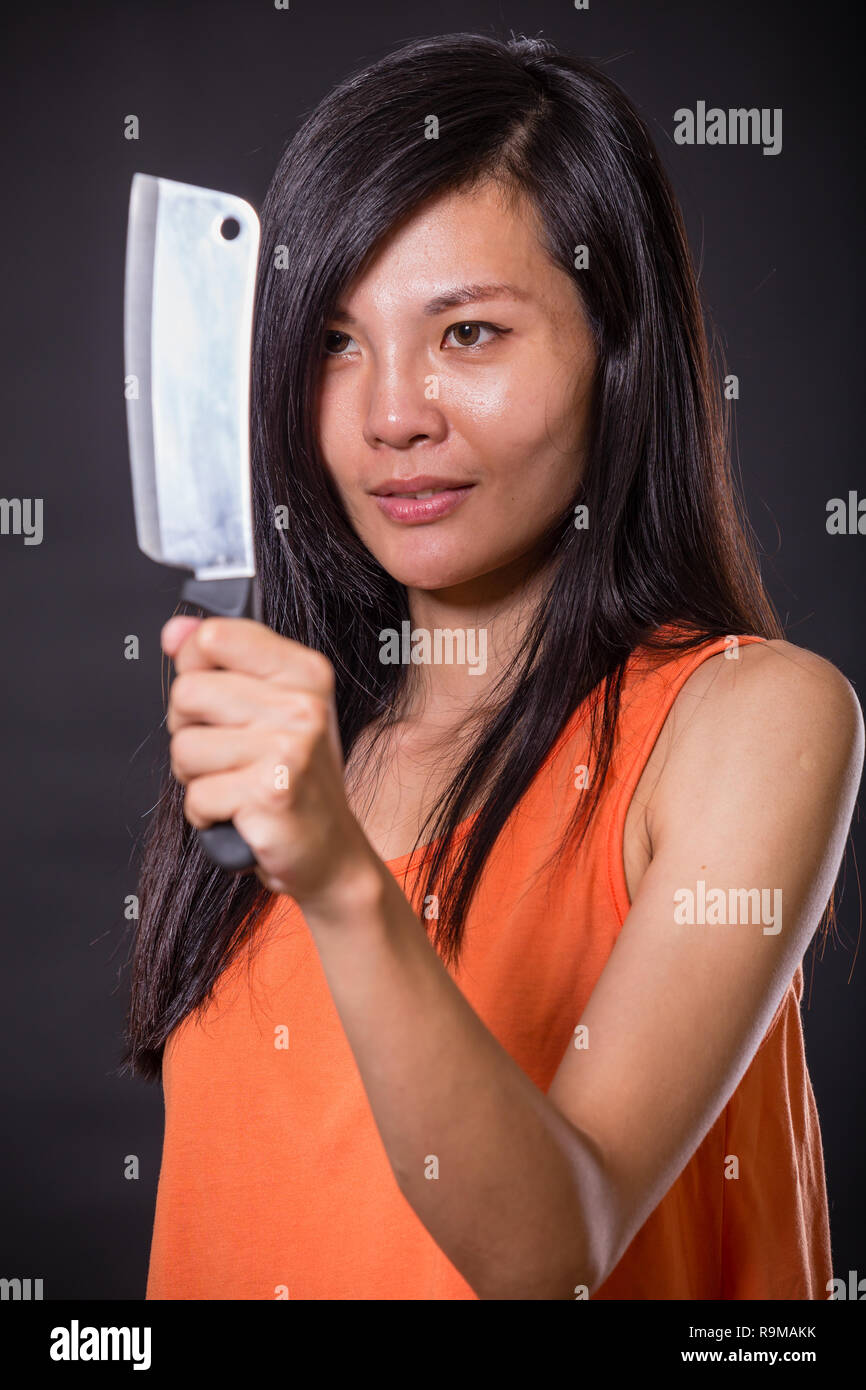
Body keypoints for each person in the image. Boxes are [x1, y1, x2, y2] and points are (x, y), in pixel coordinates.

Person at [123, 32, 863, 1300]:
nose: (389, 413)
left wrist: (346, 881)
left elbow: (547, 1257)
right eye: (336, 341)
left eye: (466, 332)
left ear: (614, 357)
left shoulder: (750, 719)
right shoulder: (297, 736)